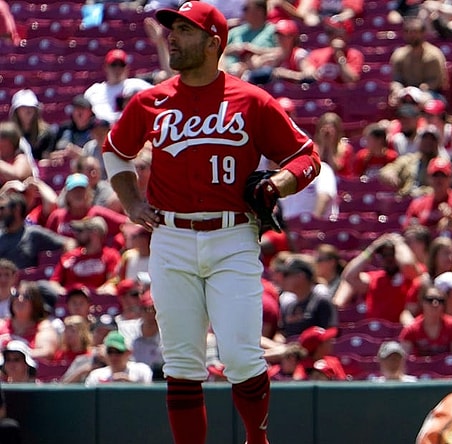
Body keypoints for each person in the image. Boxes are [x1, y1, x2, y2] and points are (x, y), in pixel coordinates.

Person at [101, 3, 320, 443]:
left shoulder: (251, 99)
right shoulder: (151, 99)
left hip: (233, 235)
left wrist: (277, 184)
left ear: (213, 42)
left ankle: (257, 440)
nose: (173, 37)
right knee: (181, 364)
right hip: (170, 238)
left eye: (185, 30)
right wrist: (131, 201)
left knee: (240, 357)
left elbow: (307, 157)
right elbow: (114, 151)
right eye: (172, 29)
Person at [49, 216, 121, 294]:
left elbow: (111, 282)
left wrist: (93, 294)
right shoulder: (69, 256)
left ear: (95, 233)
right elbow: (53, 282)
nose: (76, 234)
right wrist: (63, 293)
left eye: (81, 231)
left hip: (96, 300)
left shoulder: (111, 256)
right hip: (69, 300)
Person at [0, 193, 71, 270]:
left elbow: (69, 243)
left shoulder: (33, 234)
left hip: (28, 280)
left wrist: (67, 264)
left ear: (17, 209)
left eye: (2, 208)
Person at [388, 16, 449, 105]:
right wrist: (398, 90)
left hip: (430, 93)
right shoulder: (399, 55)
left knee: (424, 100)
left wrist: (418, 91)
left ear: (423, 33)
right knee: (394, 100)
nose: (411, 35)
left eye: (415, 32)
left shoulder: (433, 55)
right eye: (408, 32)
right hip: (406, 91)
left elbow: (437, 82)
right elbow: (396, 79)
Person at [84, 49, 153, 124]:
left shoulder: (137, 85)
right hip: (102, 132)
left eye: (121, 65)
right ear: (105, 67)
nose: (117, 69)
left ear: (127, 68)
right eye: (113, 65)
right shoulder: (94, 91)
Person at [277, 255, 337, 338]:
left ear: (300, 276)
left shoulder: (321, 301)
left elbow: (329, 334)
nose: (282, 279)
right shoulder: (288, 303)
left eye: (286, 275)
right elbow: (282, 332)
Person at [398, 285, 452, 357]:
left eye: (440, 300)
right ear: (422, 302)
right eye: (430, 300)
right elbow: (404, 360)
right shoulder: (411, 329)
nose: (435, 304)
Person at [84, 331, 153, 386]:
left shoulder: (141, 370)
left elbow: (150, 395)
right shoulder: (96, 375)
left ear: (128, 353)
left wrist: (132, 385)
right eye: (110, 352)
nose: (114, 356)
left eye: (118, 351)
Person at [8, 89, 56, 161]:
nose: (28, 111)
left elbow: (48, 157)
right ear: (16, 111)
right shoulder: (9, 134)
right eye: (23, 107)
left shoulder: (47, 133)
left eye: (31, 107)